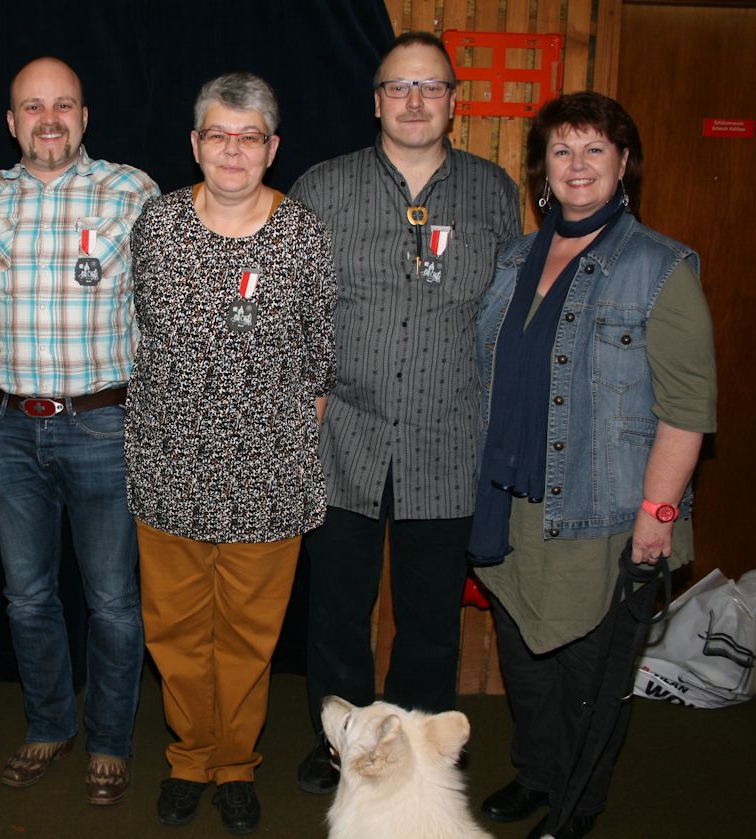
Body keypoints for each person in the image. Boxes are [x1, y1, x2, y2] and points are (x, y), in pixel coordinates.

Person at [470, 91, 716, 839]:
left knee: (590, 677)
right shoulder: (516, 258)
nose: (577, 165)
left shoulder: (660, 268)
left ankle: (577, 803)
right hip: (513, 505)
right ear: (542, 169)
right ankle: (538, 773)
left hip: (605, 512)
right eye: (562, 150)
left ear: (623, 163)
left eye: (595, 150)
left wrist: (657, 515)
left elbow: (688, 409)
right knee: (526, 659)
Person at [289, 30, 521, 794]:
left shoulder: (492, 191)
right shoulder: (323, 186)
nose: (414, 101)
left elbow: (507, 316)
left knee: (429, 617)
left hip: (449, 439)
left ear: (453, 100)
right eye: (399, 86)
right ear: (376, 100)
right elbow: (294, 308)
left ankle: (417, 751)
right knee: (336, 610)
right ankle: (341, 747)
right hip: (341, 436)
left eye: (430, 87)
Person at [126, 72, 336, 834]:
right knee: (175, 632)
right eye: (219, 134)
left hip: (267, 476)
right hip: (169, 467)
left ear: (273, 148)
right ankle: (190, 758)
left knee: (248, 637)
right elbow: (143, 331)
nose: (234, 150)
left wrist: (275, 440)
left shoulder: (304, 235)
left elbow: (319, 360)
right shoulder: (157, 225)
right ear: (195, 143)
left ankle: (237, 763)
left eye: (250, 137)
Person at [0, 56, 159, 806]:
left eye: (63, 105)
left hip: (103, 423)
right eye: (32, 106)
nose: (48, 119)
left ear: (84, 116)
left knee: (112, 599)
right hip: (8, 428)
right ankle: (49, 722)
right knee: (26, 596)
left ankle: (110, 739)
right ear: (11, 121)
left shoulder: (134, 191)